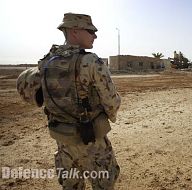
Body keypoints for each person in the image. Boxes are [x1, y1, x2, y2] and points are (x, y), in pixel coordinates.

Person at [16, 13, 121, 189]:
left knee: (71, 185)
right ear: (74, 32)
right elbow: (112, 103)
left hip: (63, 140)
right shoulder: (91, 61)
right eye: (90, 31)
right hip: (93, 140)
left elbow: (28, 92)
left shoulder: (46, 62)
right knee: (104, 182)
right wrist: (110, 115)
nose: (95, 35)